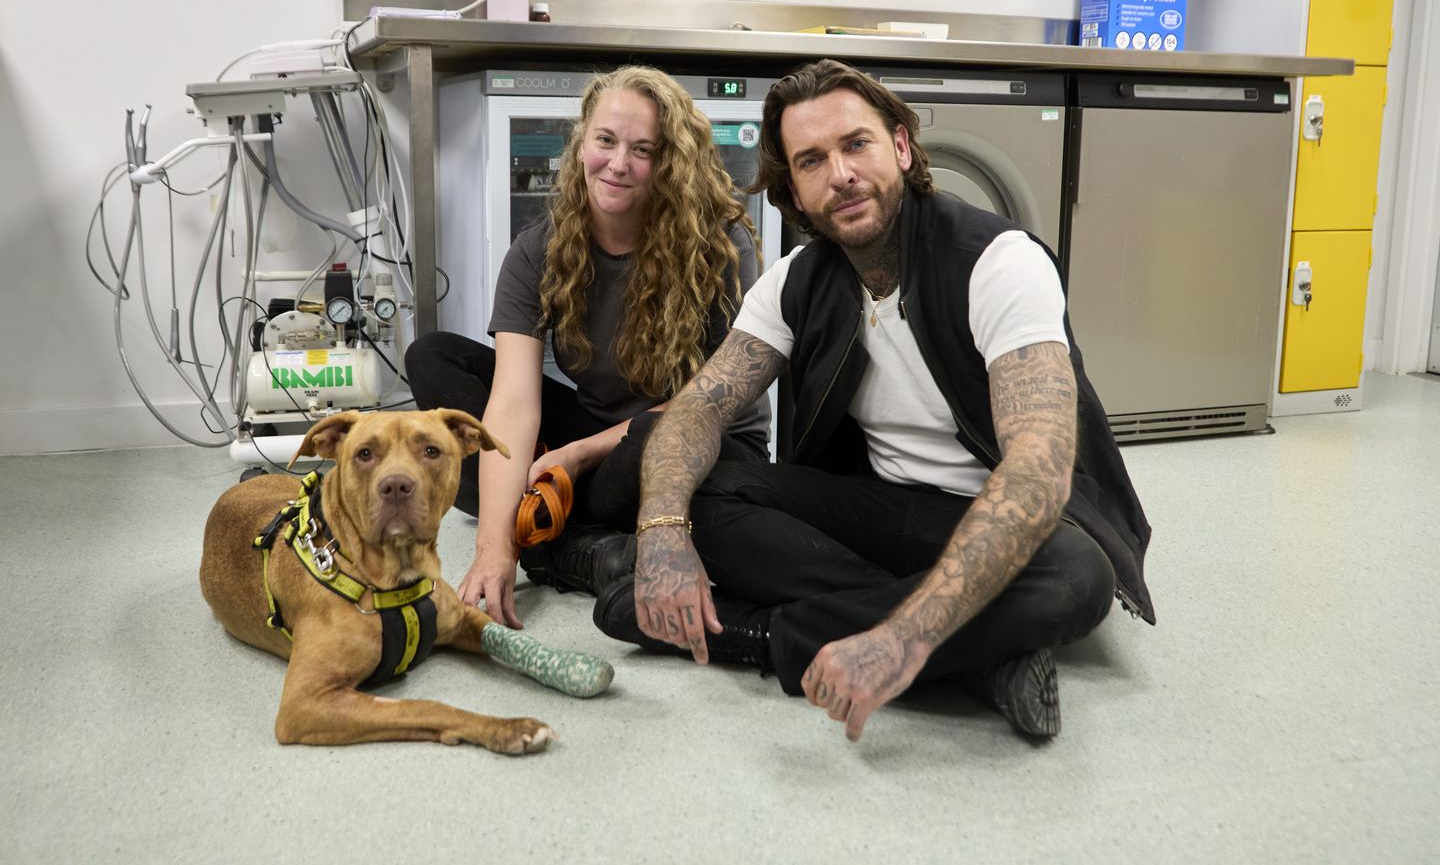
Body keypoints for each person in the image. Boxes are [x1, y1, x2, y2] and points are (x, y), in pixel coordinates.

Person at [594, 58, 1153, 740]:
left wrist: (904, 638)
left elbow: (1037, 470)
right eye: (811, 160)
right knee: (698, 484)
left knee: (1076, 575)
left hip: (1009, 518)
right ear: (793, 193)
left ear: (900, 146)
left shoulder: (998, 262)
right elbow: (699, 410)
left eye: (856, 144)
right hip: (885, 509)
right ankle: (980, 657)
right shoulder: (796, 282)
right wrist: (661, 534)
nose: (840, 174)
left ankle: (762, 634)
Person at [405, 65, 771, 628]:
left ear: (669, 161)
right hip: (601, 433)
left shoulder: (720, 245)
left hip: (701, 443)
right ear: (581, 145)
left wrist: (574, 457)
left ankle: (558, 547)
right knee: (432, 357)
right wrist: (492, 550)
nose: (618, 163)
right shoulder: (539, 250)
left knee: (651, 439)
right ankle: (571, 540)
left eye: (643, 149)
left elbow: (715, 400)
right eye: (605, 140)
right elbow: (512, 404)